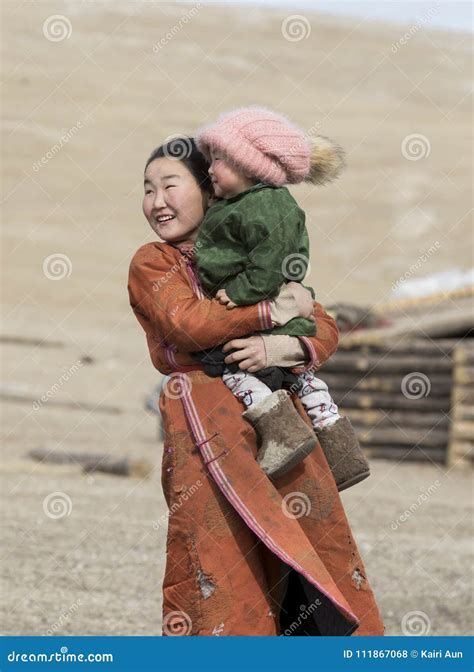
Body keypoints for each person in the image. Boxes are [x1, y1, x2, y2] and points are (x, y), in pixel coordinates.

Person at [128, 136, 385, 636]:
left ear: (212, 189)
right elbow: (188, 324)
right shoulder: (154, 262)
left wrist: (283, 349)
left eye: (170, 186)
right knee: (218, 559)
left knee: (311, 557)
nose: (156, 202)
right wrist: (269, 313)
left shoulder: (253, 255)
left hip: (282, 430)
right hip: (204, 426)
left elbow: (320, 322)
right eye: (146, 189)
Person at [191, 106, 369, 488]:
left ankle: (282, 435)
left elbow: (277, 263)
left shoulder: (269, 205)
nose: (210, 169)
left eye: (219, 159)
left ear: (250, 165)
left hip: (266, 316)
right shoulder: (244, 204)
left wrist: (239, 292)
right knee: (301, 382)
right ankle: (339, 451)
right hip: (275, 317)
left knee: (235, 372)